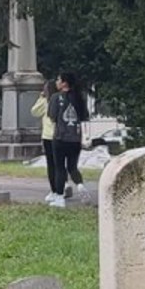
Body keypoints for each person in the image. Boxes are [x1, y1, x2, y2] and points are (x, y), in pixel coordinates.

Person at [45, 72, 89, 208]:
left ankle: (59, 197)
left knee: (59, 168)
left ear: (64, 83)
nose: (57, 82)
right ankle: (80, 185)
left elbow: (52, 116)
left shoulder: (56, 97)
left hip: (60, 137)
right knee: (72, 166)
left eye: (59, 80)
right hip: (75, 138)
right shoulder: (79, 98)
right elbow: (83, 116)